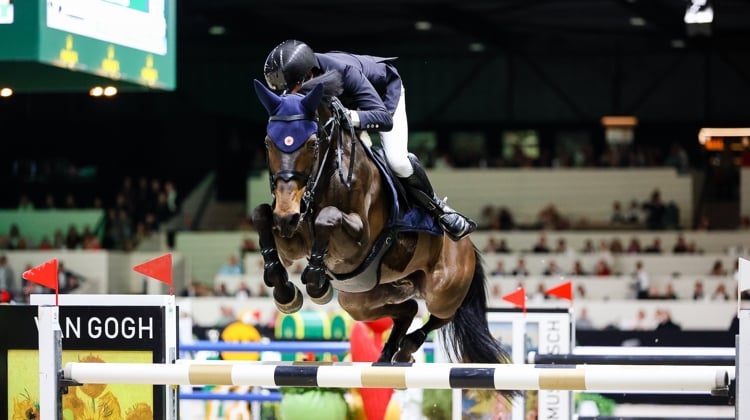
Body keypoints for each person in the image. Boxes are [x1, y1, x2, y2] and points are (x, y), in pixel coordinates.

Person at [261, 39, 476, 241]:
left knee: (397, 160)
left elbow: (383, 118)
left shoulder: (344, 72)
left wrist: (351, 117)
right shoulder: (305, 78)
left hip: (382, 99)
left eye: (290, 89)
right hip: (345, 109)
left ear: (307, 76)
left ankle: (439, 211)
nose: (287, 96)